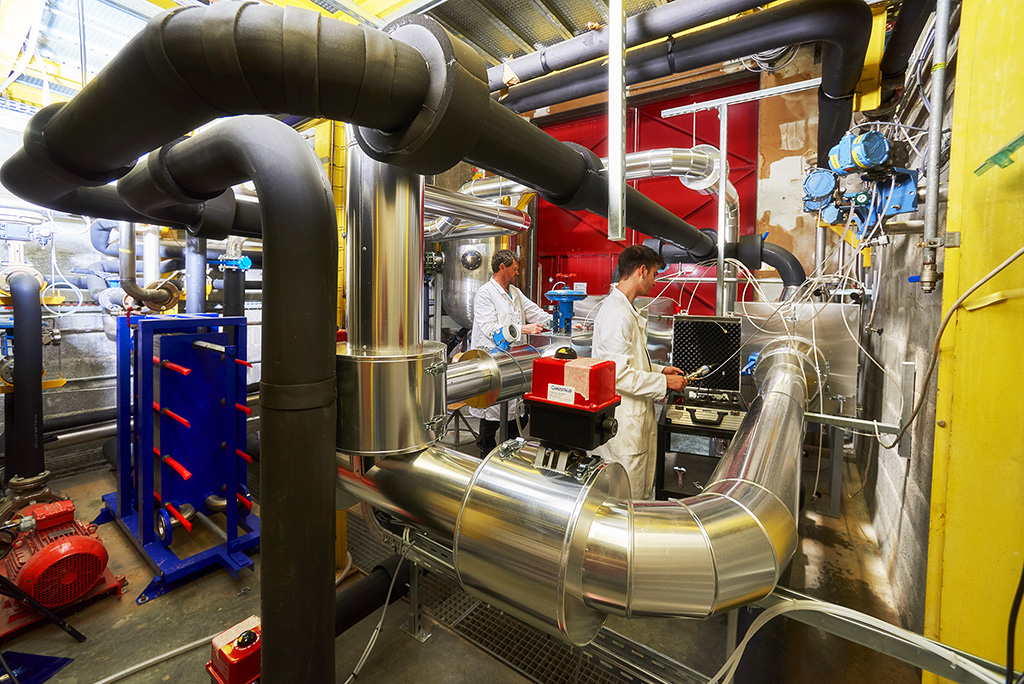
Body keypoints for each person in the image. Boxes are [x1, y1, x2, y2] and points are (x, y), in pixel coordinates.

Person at [592, 244, 686, 500]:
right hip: (624, 424)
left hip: (635, 418)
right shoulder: (617, 315)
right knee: (626, 500)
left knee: (638, 495)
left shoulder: (626, 310)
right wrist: (664, 382)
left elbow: (629, 363)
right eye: (655, 274)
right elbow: (618, 375)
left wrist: (660, 369)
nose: (655, 282)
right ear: (642, 271)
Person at [469, 249, 550, 455]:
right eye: (514, 269)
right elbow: (491, 328)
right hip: (492, 361)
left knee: (515, 415)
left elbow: (535, 313)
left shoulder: (515, 293)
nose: (517, 273)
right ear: (501, 267)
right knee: (491, 419)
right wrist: (522, 329)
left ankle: (512, 460)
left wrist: (559, 322)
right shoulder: (485, 294)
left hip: (514, 362)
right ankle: (484, 460)